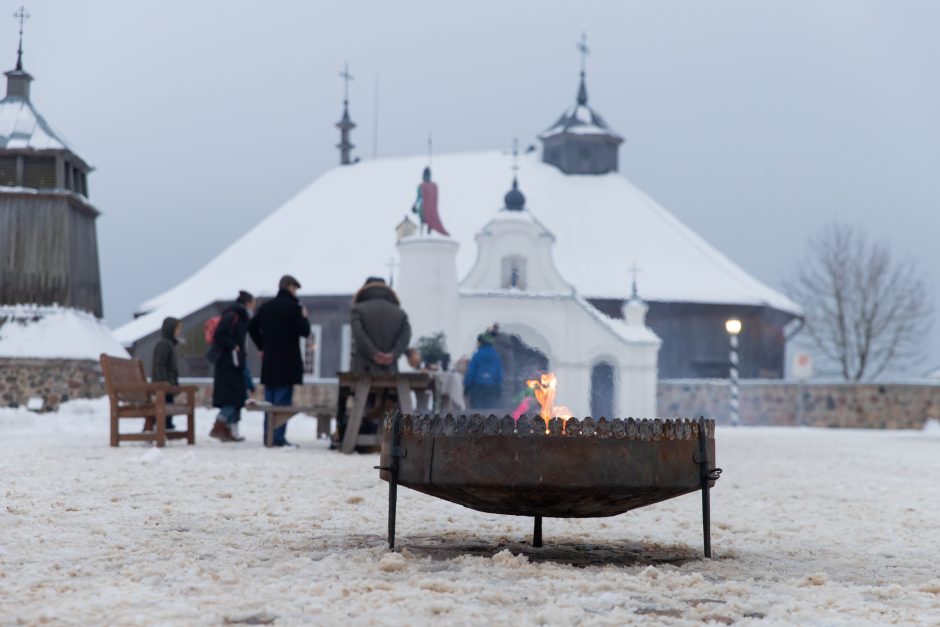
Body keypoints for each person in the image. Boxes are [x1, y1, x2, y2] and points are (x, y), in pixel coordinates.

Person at [248, 275, 310, 447]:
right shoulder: (294, 308)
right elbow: (305, 331)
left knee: (269, 400)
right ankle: (278, 437)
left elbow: (252, 327)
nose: (295, 292)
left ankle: (268, 435)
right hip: (288, 361)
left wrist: (262, 346)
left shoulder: (266, 307)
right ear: (290, 287)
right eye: (295, 288)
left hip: (270, 361)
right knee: (282, 402)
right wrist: (304, 316)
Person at [210, 291, 256, 442]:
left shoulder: (239, 317)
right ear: (247, 303)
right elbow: (220, 335)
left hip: (235, 363)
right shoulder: (232, 316)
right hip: (229, 364)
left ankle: (228, 430)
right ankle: (219, 425)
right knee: (231, 398)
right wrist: (234, 346)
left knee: (236, 398)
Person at [350, 277, 412, 374]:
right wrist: (393, 354)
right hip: (390, 373)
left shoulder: (357, 310)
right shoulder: (400, 313)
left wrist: (374, 353)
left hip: (362, 373)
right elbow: (406, 335)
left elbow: (358, 334)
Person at [151, 316, 182, 431]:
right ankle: (161, 424)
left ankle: (168, 424)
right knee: (165, 402)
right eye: (177, 329)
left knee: (169, 402)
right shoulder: (164, 344)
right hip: (163, 384)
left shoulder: (170, 344)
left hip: (169, 383)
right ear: (170, 329)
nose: (179, 332)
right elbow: (160, 364)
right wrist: (163, 381)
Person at [464, 332, 504, 409]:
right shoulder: (496, 356)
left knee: (477, 415)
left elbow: (471, 373)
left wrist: (467, 387)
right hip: (492, 389)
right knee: (490, 414)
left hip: (478, 389)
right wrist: (499, 387)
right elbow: (499, 374)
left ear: (481, 343)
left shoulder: (477, 355)